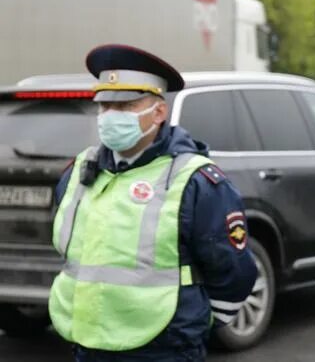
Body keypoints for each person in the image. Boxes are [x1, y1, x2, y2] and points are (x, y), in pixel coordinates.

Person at [48, 44, 258, 361]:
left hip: (164, 348)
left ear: (158, 113)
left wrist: (191, 322)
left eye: (126, 105)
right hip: (88, 343)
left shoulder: (195, 180)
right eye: (105, 106)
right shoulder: (79, 171)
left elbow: (233, 272)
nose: (110, 116)